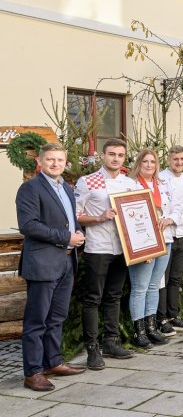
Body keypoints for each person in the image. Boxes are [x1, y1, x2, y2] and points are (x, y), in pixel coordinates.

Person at [17, 143, 86, 391]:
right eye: (50, 160)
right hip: (43, 262)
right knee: (37, 319)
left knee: (57, 316)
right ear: (41, 162)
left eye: (60, 160)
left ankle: (52, 361)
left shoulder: (66, 188)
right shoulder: (30, 188)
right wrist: (66, 237)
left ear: (65, 162)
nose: (55, 164)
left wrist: (77, 231)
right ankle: (33, 372)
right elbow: (29, 225)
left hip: (67, 261)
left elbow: (70, 219)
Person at [75, 138, 136, 369]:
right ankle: (93, 349)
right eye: (112, 154)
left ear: (124, 158)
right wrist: (99, 217)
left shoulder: (129, 183)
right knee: (93, 298)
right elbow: (76, 215)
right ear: (103, 155)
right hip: (98, 247)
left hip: (122, 248)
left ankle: (111, 341)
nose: (116, 158)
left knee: (114, 295)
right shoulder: (88, 181)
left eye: (120, 155)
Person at [126, 149, 173, 348]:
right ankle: (140, 331)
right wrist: (142, 250)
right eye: (145, 161)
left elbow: (176, 207)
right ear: (139, 163)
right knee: (140, 288)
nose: (149, 165)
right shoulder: (131, 185)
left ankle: (152, 327)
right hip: (142, 243)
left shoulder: (163, 183)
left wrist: (171, 218)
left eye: (152, 162)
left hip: (165, 239)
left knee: (154, 286)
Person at [157, 146, 183, 334]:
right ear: (168, 160)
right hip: (165, 235)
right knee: (162, 279)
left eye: (182, 159)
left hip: (181, 235)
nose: (179, 163)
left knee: (176, 278)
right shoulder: (161, 179)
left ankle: (174, 314)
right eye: (175, 159)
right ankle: (161, 318)